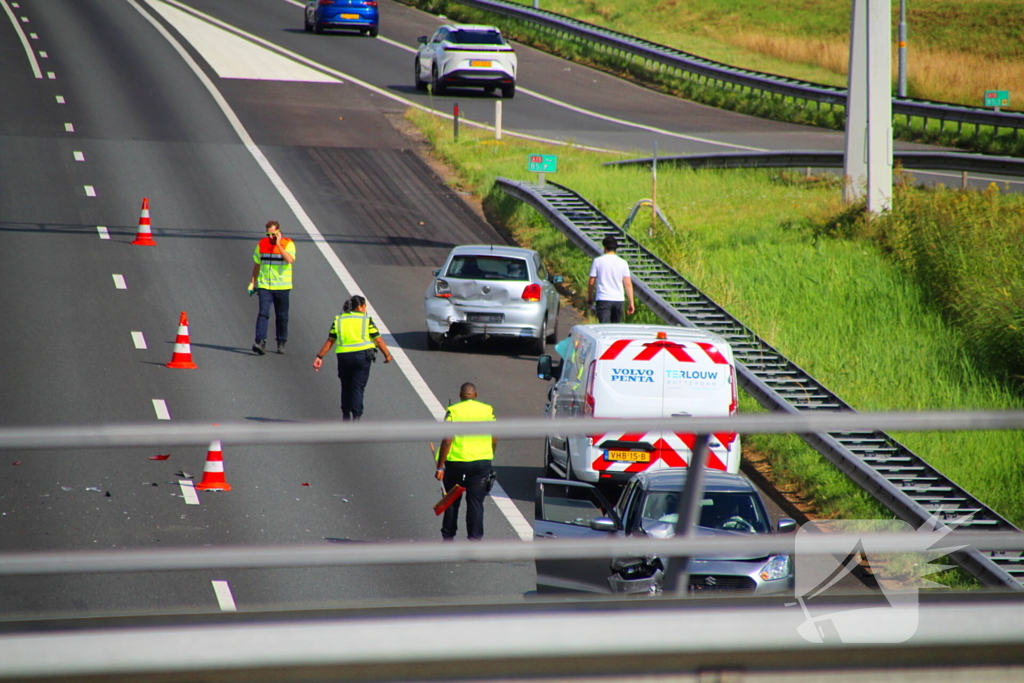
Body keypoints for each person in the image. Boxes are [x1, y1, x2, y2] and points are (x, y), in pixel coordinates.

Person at [313, 295, 392, 421]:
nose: (365, 309)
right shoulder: (366, 320)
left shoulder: (339, 319)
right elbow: (378, 339)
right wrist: (387, 355)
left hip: (344, 357)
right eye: (365, 306)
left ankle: (345, 415)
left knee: (345, 386)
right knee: (357, 388)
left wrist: (319, 357)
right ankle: (356, 416)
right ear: (360, 307)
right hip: (362, 357)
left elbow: (330, 340)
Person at [434, 383, 496, 541]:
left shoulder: (454, 411)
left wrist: (440, 467)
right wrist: (490, 454)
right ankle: (475, 541)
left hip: (456, 465)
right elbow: (495, 437)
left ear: (460, 395)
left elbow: (447, 440)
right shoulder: (487, 410)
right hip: (481, 464)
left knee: (451, 501)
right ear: (476, 394)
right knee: (475, 504)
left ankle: (448, 538)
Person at [251, 220, 296, 355]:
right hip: (265, 286)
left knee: (282, 316)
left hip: (282, 287)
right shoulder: (262, 244)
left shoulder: (288, 244)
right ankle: (260, 342)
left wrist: (278, 245)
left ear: (279, 232)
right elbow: (257, 264)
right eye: (268, 234)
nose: (270, 237)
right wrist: (252, 282)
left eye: (273, 234)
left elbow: (290, 260)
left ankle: (281, 341)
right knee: (263, 313)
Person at [587, 235, 635, 323]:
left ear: (604, 248)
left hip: (603, 298)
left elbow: (591, 282)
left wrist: (590, 297)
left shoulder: (598, 261)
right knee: (615, 328)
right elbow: (628, 284)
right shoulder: (623, 262)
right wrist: (631, 302)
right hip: (618, 299)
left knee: (604, 327)